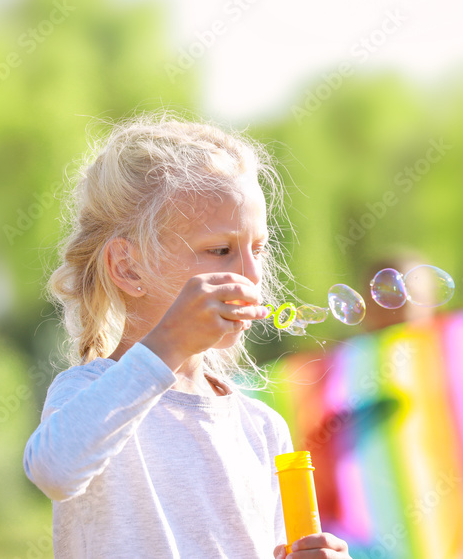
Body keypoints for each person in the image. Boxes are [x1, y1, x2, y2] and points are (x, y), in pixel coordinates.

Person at [23, 113, 352, 559]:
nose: (250, 276)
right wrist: (167, 346)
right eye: (220, 250)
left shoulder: (263, 429)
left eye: (258, 249)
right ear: (128, 267)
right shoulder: (90, 394)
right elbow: (55, 469)